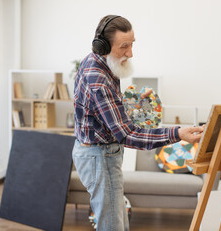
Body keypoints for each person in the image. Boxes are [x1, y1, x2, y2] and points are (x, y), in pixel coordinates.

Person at [72, 15, 204, 231]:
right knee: (112, 226)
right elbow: (127, 134)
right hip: (99, 157)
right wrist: (177, 134)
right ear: (102, 45)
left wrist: (134, 104)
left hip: (102, 153)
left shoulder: (98, 61)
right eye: (124, 46)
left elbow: (103, 113)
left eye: (132, 44)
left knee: (118, 223)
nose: (130, 53)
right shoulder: (98, 79)